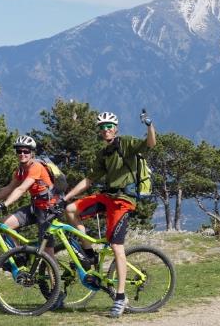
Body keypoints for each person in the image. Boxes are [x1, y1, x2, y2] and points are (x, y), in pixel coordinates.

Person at [62, 110, 156, 318]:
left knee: (116, 246)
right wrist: (67, 196)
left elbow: (150, 144)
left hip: (123, 201)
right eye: (102, 127)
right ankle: (88, 253)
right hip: (106, 197)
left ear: (116, 128)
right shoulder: (103, 153)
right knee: (70, 210)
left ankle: (121, 297)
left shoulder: (127, 143)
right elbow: (90, 180)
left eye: (109, 126)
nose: (105, 130)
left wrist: (149, 126)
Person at [0, 135, 60, 258]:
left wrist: (4, 205)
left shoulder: (36, 167)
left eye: (26, 151)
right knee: (6, 224)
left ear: (32, 153)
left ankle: (54, 277)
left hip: (49, 208)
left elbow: (21, 189)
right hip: (35, 207)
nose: (22, 154)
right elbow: (9, 188)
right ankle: (18, 256)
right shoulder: (21, 170)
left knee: (46, 250)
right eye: (19, 151)